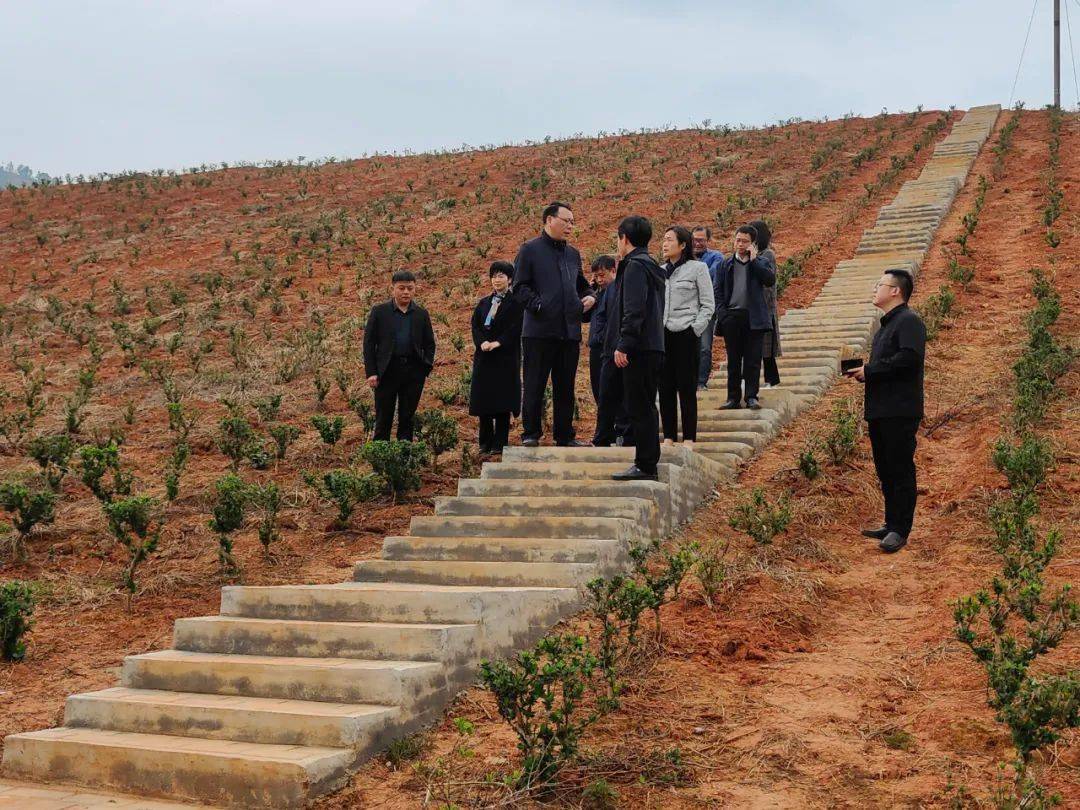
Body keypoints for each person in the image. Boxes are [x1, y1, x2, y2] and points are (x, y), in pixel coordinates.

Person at [848, 269, 926, 554]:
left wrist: (870, 370)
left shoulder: (909, 321)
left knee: (900, 469)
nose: (875, 289)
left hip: (900, 409)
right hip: (881, 409)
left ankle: (900, 529)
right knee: (886, 470)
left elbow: (909, 359)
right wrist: (866, 372)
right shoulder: (886, 326)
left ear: (895, 291)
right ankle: (891, 522)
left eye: (880, 284)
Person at [513, 201, 596, 447]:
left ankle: (564, 435)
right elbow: (519, 287)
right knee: (534, 384)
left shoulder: (572, 254)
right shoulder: (529, 250)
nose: (570, 225)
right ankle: (530, 434)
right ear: (549, 220)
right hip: (538, 331)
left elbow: (581, 284)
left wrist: (590, 295)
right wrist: (539, 306)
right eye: (566, 220)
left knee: (565, 387)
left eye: (572, 221)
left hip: (569, 331)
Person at [605, 215, 665, 481]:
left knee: (639, 406)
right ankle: (647, 461)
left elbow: (634, 309)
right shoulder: (650, 264)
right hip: (652, 345)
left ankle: (645, 464)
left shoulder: (635, 267)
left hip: (639, 348)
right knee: (645, 405)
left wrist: (624, 344)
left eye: (618, 239)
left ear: (624, 239)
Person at [364, 270, 437, 441]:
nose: (406, 292)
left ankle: (404, 458)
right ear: (393, 289)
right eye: (401, 288)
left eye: (410, 288)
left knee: (407, 417)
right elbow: (368, 344)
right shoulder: (379, 312)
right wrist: (372, 372)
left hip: (413, 371)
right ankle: (381, 459)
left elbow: (429, 343)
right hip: (387, 371)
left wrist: (425, 367)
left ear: (414, 289)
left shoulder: (421, 314)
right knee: (384, 417)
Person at [659, 226, 714, 447]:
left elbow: (708, 304)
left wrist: (695, 329)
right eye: (663, 239)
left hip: (686, 333)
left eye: (670, 240)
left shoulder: (698, 269)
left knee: (687, 387)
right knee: (665, 387)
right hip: (663, 334)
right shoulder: (659, 270)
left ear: (683, 245)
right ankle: (669, 436)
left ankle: (689, 437)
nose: (664, 243)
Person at [713, 225, 776, 410]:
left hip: (753, 317)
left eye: (745, 241)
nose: (740, 244)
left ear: (753, 244)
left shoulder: (761, 262)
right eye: (738, 240)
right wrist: (723, 314)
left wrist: (755, 260)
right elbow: (718, 290)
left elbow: (769, 280)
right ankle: (733, 398)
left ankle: (751, 397)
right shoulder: (725, 264)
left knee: (753, 360)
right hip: (732, 316)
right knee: (733, 360)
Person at [469, 261, 524, 455]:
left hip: (505, 358)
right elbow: (475, 325)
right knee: (484, 401)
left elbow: (516, 328)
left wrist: (499, 343)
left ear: (509, 279)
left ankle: (499, 443)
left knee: (502, 402)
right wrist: (481, 342)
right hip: (484, 358)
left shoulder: (516, 303)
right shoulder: (484, 303)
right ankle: (484, 442)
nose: (497, 280)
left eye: (501, 276)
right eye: (494, 276)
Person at [747, 220, 782, 388]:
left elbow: (767, 281)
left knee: (767, 349)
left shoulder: (767, 255)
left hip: (765, 306)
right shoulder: (750, 255)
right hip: (751, 307)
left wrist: (753, 260)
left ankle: (771, 380)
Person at [692, 226, 725, 390]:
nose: (697, 243)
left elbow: (711, 279)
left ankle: (701, 381)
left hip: (705, 310)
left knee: (704, 347)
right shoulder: (684, 257)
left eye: (701, 240)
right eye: (694, 240)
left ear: (708, 241)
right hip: (687, 310)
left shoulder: (715, 257)